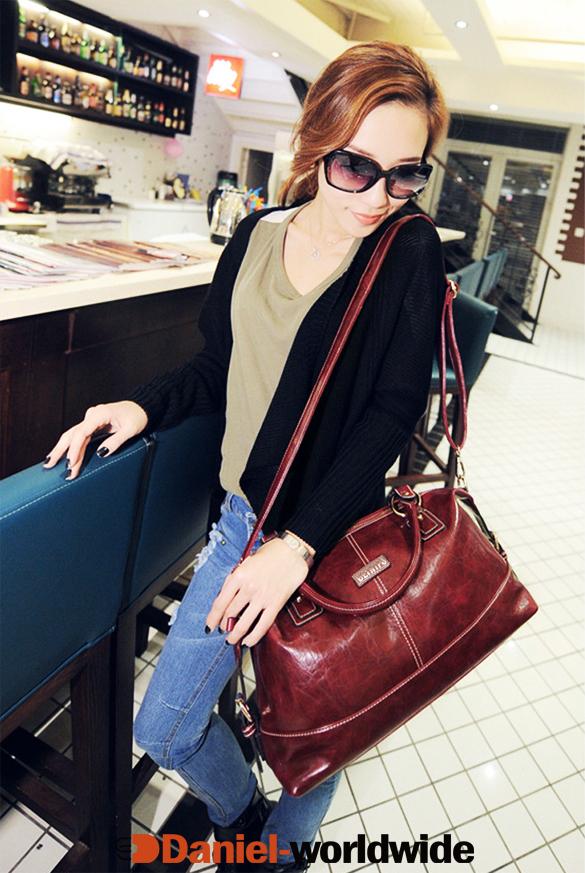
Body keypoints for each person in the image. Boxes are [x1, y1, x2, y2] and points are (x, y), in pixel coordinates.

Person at [43, 41, 449, 872]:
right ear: (315, 144)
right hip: (243, 523)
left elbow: (391, 411)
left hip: (338, 536)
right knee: (165, 726)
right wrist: (141, 403)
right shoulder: (256, 239)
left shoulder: (406, 249)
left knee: (320, 729)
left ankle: (280, 854)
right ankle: (239, 813)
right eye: (355, 168)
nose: (377, 197)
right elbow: (217, 367)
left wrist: (297, 545)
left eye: (404, 174)